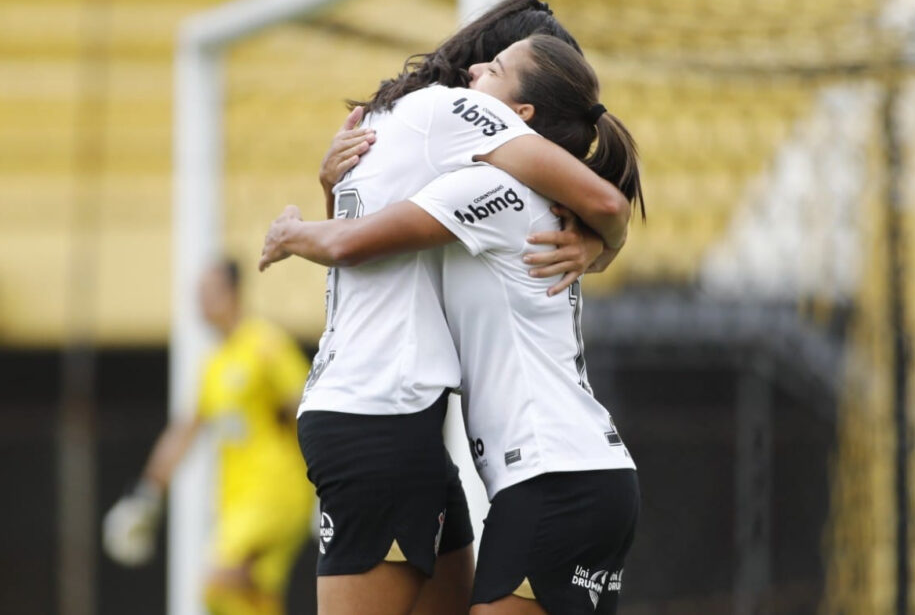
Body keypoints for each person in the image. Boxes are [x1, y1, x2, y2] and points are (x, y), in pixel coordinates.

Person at [260, 34, 642, 615]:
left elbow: (353, 244)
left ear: (515, 116)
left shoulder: (488, 189)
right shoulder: (532, 195)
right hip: (576, 474)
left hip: (555, 477)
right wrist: (333, 185)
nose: (474, 70)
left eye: (497, 68)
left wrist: (290, 230)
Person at [102, 259, 313, 615]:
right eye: (198, 294)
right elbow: (185, 432)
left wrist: (326, 478)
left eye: (209, 292)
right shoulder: (213, 365)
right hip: (238, 501)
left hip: (276, 494)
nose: (201, 301)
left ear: (234, 293)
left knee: (217, 582)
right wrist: (147, 493)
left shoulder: (266, 345)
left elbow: (307, 406)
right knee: (248, 593)